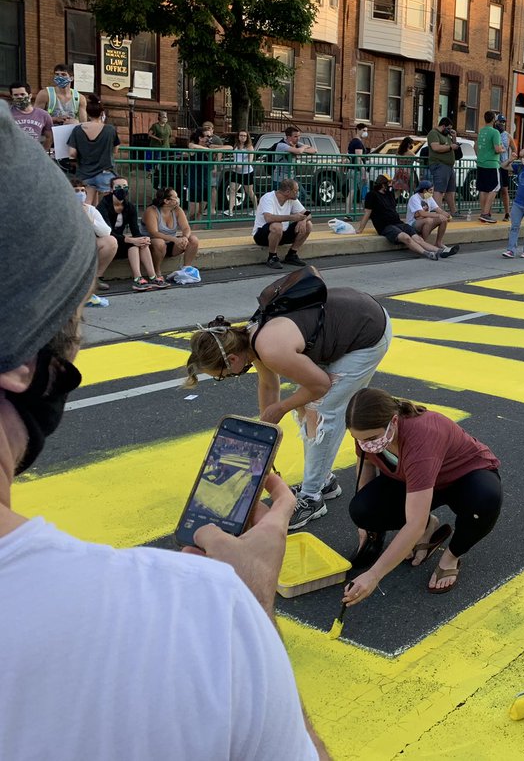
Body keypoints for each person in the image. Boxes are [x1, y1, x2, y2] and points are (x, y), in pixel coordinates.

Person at [0, 103, 329, 760]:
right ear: (22, 363)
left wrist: (279, 411)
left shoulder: (263, 348)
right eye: (73, 321)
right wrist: (253, 614)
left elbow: (285, 386)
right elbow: (292, 386)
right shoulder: (202, 618)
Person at [184, 279, 394, 530]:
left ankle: (312, 497)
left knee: (322, 410)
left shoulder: (270, 348)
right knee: (306, 406)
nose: (226, 378)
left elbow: (320, 386)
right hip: (348, 318)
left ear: (231, 358)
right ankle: (322, 481)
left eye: (223, 374)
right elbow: (269, 385)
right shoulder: (250, 339)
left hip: (367, 333)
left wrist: (281, 408)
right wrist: (266, 431)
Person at [342, 388, 503, 598]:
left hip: (462, 477)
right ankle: (430, 525)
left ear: (394, 421)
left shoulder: (421, 439)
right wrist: (366, 525)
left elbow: (413, 524)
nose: (367, 445)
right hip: (415, 481)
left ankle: (451, 557)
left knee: (485, 501)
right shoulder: (366, 432)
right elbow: (365, 466)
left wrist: (373, 575)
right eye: (359, 439)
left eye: (371, 438)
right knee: (363, 510)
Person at [357, 175, 451, 260]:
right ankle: (427, 253)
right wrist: (360, 229)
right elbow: (367, 213)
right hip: (385, 226)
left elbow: (394, 201)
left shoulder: (389, 194)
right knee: (406, 238)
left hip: (398, 223)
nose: (391, 185)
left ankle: (440, 251)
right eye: (389, 183)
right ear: (382, 185)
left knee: (418, 239)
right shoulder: (371, 195)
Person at [97, 174, 157, 291]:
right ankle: (138, 279)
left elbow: (135, 231)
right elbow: (107, 233)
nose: (122, 189)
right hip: (107, 243)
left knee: (140, 244)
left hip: (120, 241)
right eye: (118, 187)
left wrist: (142, 239)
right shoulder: (103, 206)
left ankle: (151, 277)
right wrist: (130, 240)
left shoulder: (129, 207)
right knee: (131, 243)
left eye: (125, 186)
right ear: (111, 190)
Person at [70, 178, 118, 306]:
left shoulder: (90, 209)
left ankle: (94, 280)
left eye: (82, 190)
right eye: (76, 191)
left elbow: (106, 232)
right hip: (69, 248)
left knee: (111, 241)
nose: (81, 193)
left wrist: (91, 221)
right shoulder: (63, 209)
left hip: (88, 245)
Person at [68, 97, 120, 206]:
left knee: (87, 204)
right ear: (102, 113)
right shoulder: (110, 129)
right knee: (109, 204)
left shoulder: (77, 130)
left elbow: (72, 153)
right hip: (105, 171)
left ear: (87, 113)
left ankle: (88, 222)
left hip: (85, 172)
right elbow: (115, 150)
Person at [253, 178, 312, 270]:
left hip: (282, 234)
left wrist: (303, 220)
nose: (298, 193)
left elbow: (308, 213)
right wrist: (292, 217)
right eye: (296, 191)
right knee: (277, 225)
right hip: (263, 234)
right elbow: (268, 218)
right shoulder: (268, 198)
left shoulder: (292, 199)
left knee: (309, 225)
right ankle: (272, 257)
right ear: (288, 192)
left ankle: (292, 254)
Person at [144, 187, 201, 283]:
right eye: (175, 197)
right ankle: (157, 271)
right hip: (152, 245)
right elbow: (154, 233)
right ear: (166, 201)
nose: (178, 199)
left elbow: (186, 228)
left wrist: (185, 237)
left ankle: (186, 269)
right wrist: (174, 239)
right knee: (159, 242)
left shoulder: (177, 210)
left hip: (171, 244)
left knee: (193, 240)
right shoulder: (151, 210)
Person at [405, 179, 452, 250]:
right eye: (430, 190)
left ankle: (438, 243)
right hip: (412, 224)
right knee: (429, 220)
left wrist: (446, 215)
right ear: (424, 191)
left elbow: (438, 209)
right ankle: (423, 243)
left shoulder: (428, 197)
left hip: (424, 222)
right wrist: (438, 215)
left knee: (443, 220)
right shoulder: (414, 198)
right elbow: (422, 213)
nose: (432, 192)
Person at [426, 117, 459, 218]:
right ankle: (438, 213)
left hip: (449, 166)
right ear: (443, 126)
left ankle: (454, 211)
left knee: (450, 190)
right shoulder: (433, 133)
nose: (450, 131)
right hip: (439, 164)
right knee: (439, 190)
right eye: (449, 128)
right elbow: (436, 147)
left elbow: (453, 146)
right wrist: (450, 147)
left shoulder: (447, 136)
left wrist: (454, 138)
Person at [9, 81, 54, 153]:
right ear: (12, 97)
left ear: (30, 96)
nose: (19, 97)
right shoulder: (6, 114)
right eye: (16, 95)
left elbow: (49, 137)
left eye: (22, 94)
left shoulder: (43, 115)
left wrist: (42, 153)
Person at [475, 110, 504, 223]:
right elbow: (497, 149)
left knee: (483, 189)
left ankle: (483, 213)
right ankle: (485, 213)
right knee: (495, 187)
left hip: (481, 163)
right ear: (493, 120)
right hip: (492, 163)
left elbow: (475, 147)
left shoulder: (481, 131)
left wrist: (481, 156)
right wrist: (503, 149)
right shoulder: (495, 132)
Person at [34, 63, 83, 127]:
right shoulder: (45, 94)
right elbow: (35, 118)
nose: (60, 77)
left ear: (71, 78)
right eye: (57, 74)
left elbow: (83, 123)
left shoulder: (80, 98)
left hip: (71, 134)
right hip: (50, 134)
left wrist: (74, 122)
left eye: (63, 74)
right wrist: (55, 119)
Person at [223, 130, 258, 217]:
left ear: (247, 137)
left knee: (249, 191)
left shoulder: (249, 147)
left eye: (245, 136)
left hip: (247, 172)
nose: (243, 137)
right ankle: (230, 210)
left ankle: (256, 209)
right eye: (241, 135)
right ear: (238, 136)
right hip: (236, 171)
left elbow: (250, 161)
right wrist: (234, 164)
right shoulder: (236, 146)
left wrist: (241, 165)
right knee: (232, 190)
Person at [496, 115, 513, 222]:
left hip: (504, 165)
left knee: (504, 190)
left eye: (503, 122)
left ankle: (507, 213)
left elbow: (514, 149)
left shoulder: (508, 136)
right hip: (493, 165)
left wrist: (511, 160)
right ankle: (486, 212)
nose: (502, 123)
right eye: (500, 121)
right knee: (491, 190)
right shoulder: (492, 133)